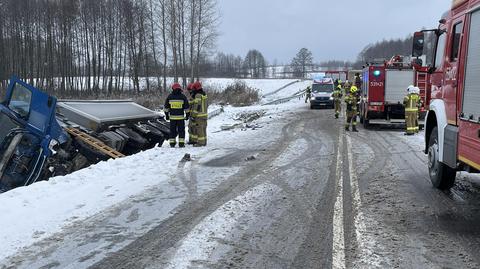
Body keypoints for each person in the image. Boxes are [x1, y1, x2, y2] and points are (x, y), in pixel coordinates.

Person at [164, 83, 190, 148]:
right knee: (181, 131)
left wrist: (167, 115)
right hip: (181, 118)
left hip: (172, 118)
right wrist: (187, 115)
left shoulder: (170, 97)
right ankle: (181, 144)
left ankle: (172, 144)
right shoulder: (183, 97)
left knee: (172, 131)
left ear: (173, 89)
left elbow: (166, 107)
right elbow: (186, 107)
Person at [192, 81, 208, 147]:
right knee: (204, 129)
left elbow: (197, 106)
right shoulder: (204, 94)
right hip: (204, 115)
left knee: (199, 129)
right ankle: (204, 142)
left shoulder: (198, 95)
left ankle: (200, 143)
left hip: (199, 115)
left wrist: (193, 114)